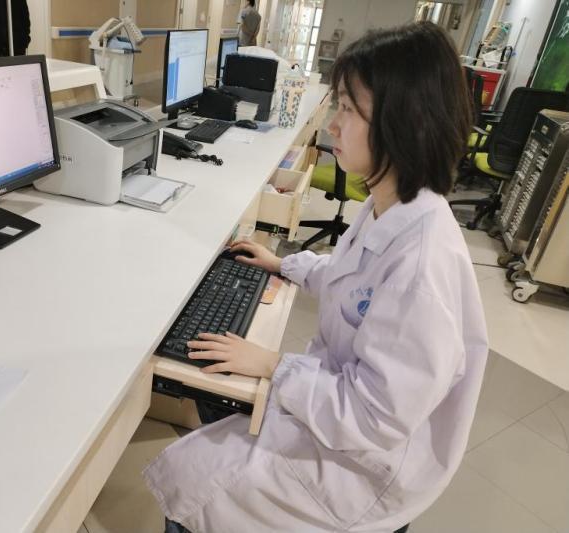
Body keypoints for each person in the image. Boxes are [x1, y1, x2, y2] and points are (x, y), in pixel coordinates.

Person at [144, 22, 488, 533]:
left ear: (402, 122)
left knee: (194, 482)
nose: (331, 125)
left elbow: (373, 419)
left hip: (363, 470)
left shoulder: (422, 266)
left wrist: (273, 366)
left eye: (347, 109)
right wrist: (284, 264)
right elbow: (355, 283)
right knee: (218, 413)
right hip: (345, 418)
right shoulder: (397, 204)